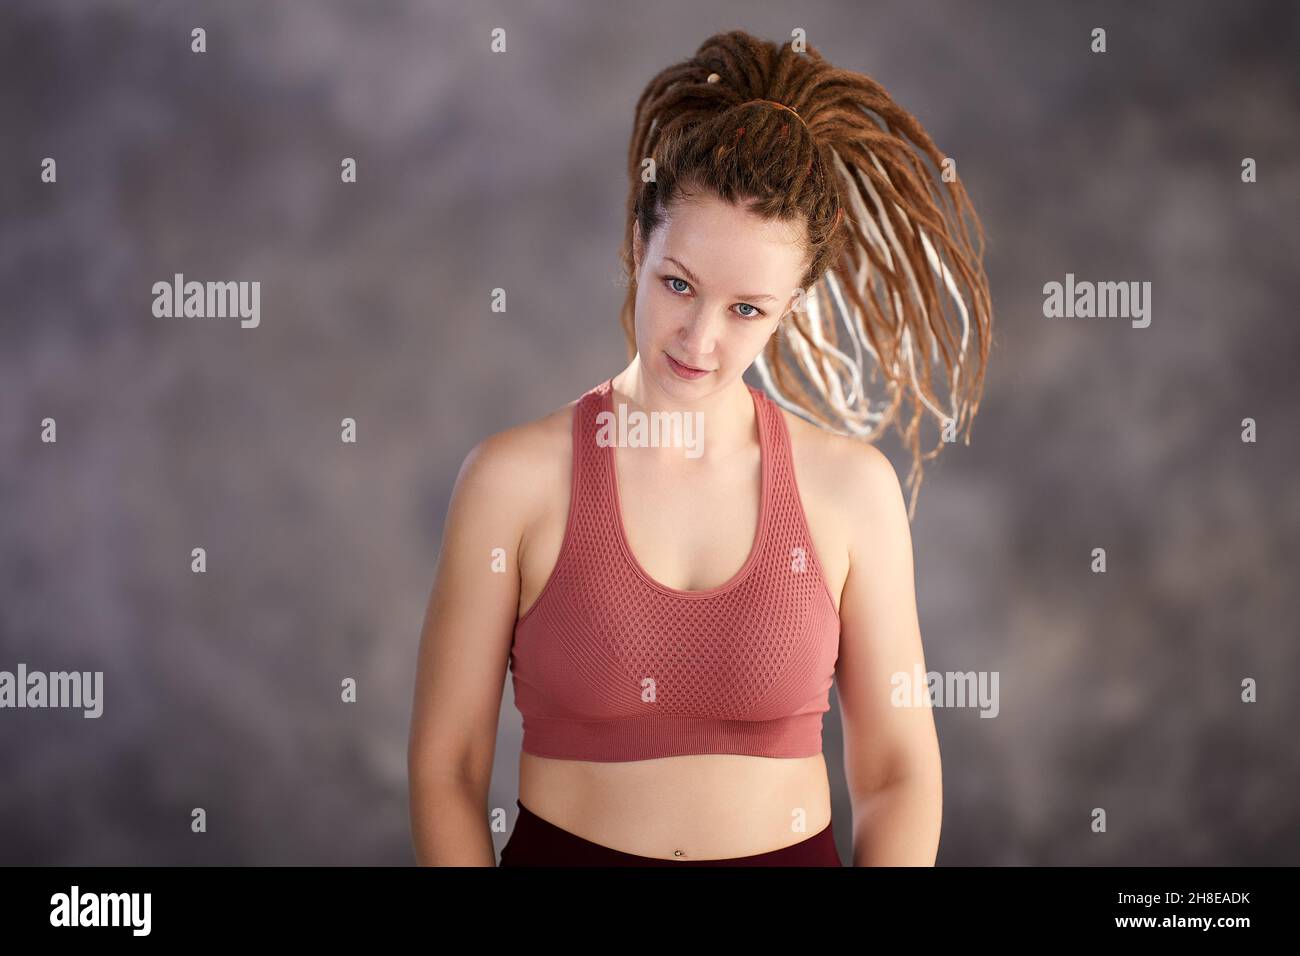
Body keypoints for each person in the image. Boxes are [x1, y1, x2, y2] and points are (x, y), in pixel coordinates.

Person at [408, 29, 993, 866]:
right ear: (636, 248)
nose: (699, 338)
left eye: (747, 309)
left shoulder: (850, 492)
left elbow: (900, 775)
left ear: (791, 305)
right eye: (678, 284)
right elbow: (448, 769)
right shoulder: (513, 482)